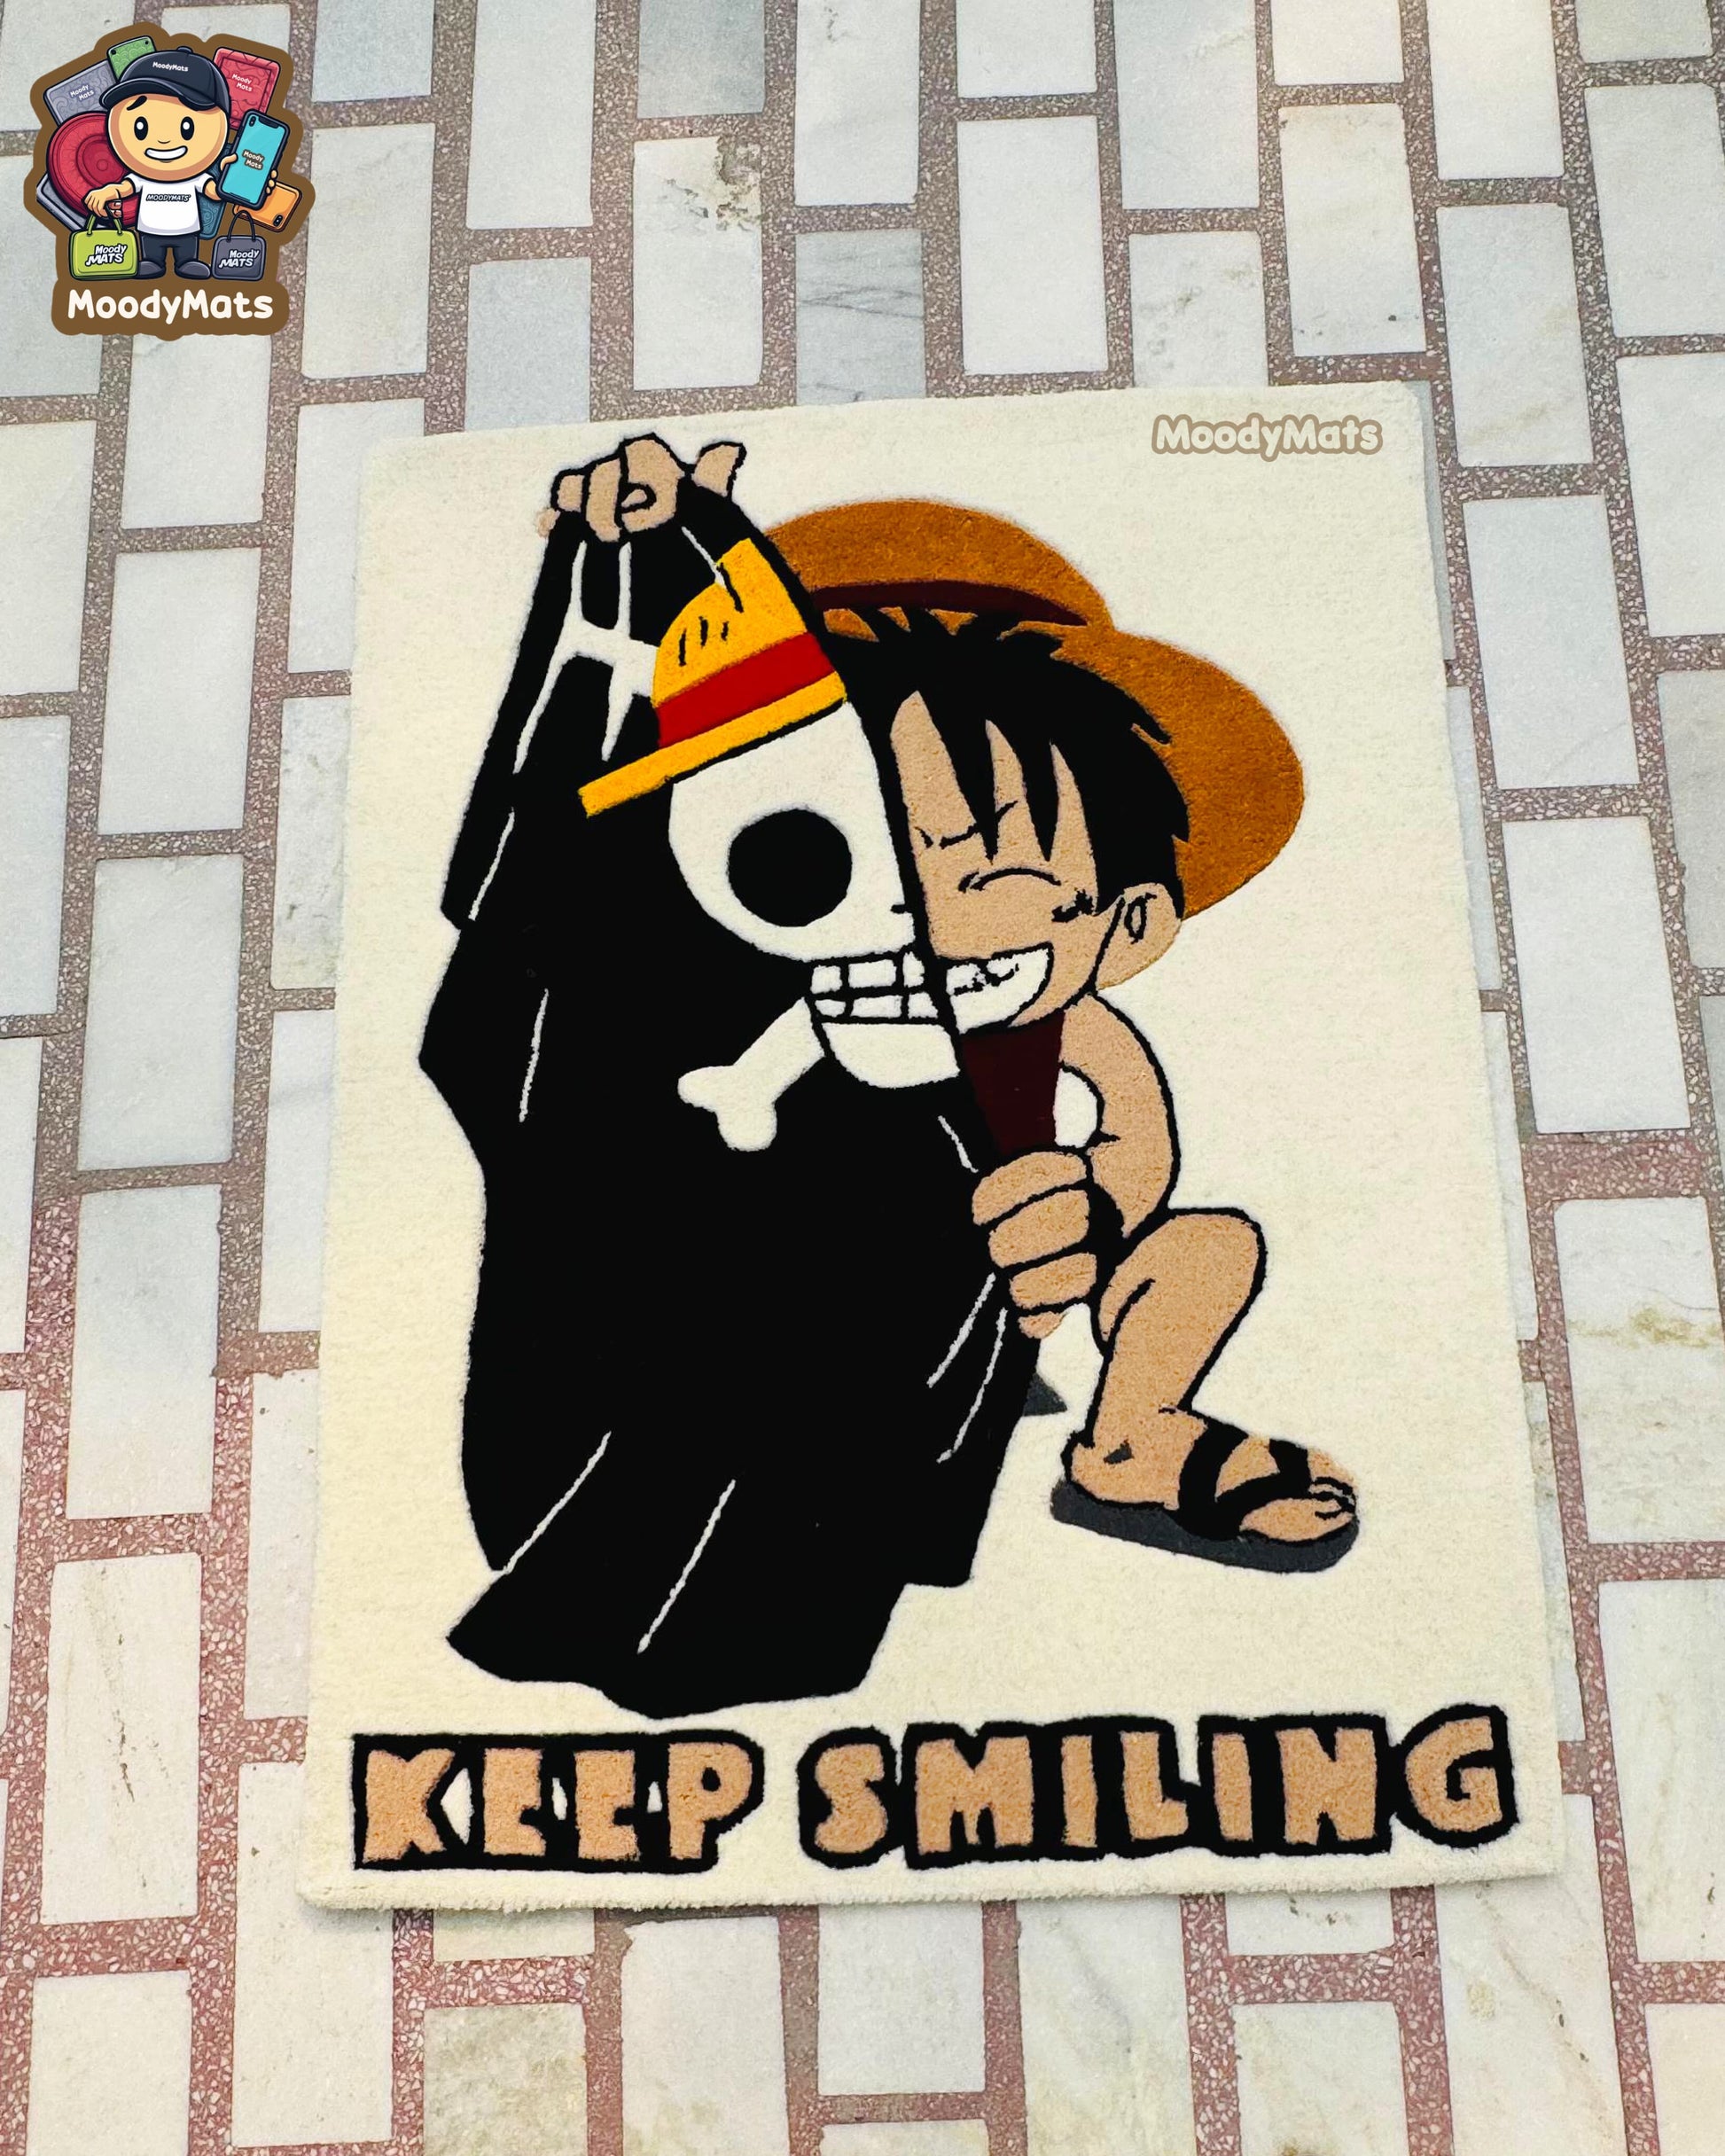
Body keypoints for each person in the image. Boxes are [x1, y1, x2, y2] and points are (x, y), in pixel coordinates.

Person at [82, 48, 229, 279]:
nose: (163, 140)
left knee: (187, 257)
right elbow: (125, 188)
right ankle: (153, 262)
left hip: (186, 230)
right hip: (150, 230)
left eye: (187, 129)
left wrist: (234, 181)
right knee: (151, 258)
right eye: (141, 128)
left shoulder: (195, 177)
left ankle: (187, 262)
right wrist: (108, 191)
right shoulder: (143, 177)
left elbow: (214, 193)